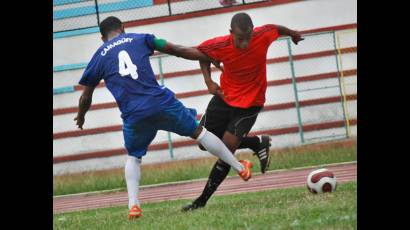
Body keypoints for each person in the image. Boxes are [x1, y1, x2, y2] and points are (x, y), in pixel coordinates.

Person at [74, 16, 253, 220]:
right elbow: (175, 49)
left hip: (134, 116)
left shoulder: (98, 56)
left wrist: (81, 116)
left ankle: (134, 206)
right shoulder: (143, 38)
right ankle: (240, 168)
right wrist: (207, 55)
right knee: (199, 132)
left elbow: (86, 96)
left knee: (134, 156)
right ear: (123, 28)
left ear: (102, 37)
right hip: (161, 104)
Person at [182, 12, 304, 212]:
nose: (246, 43)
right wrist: (208, 81)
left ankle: (201, 201)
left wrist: (293, 34)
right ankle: (257, 142)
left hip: (250, 103)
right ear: (231, 33)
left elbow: (276, 28)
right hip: (224, 98)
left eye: (249, 38)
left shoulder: (262, 35)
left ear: (253, 32)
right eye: (240, 39)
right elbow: (201, 54)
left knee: (227, 149)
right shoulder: (221, 45)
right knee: (204, 143)